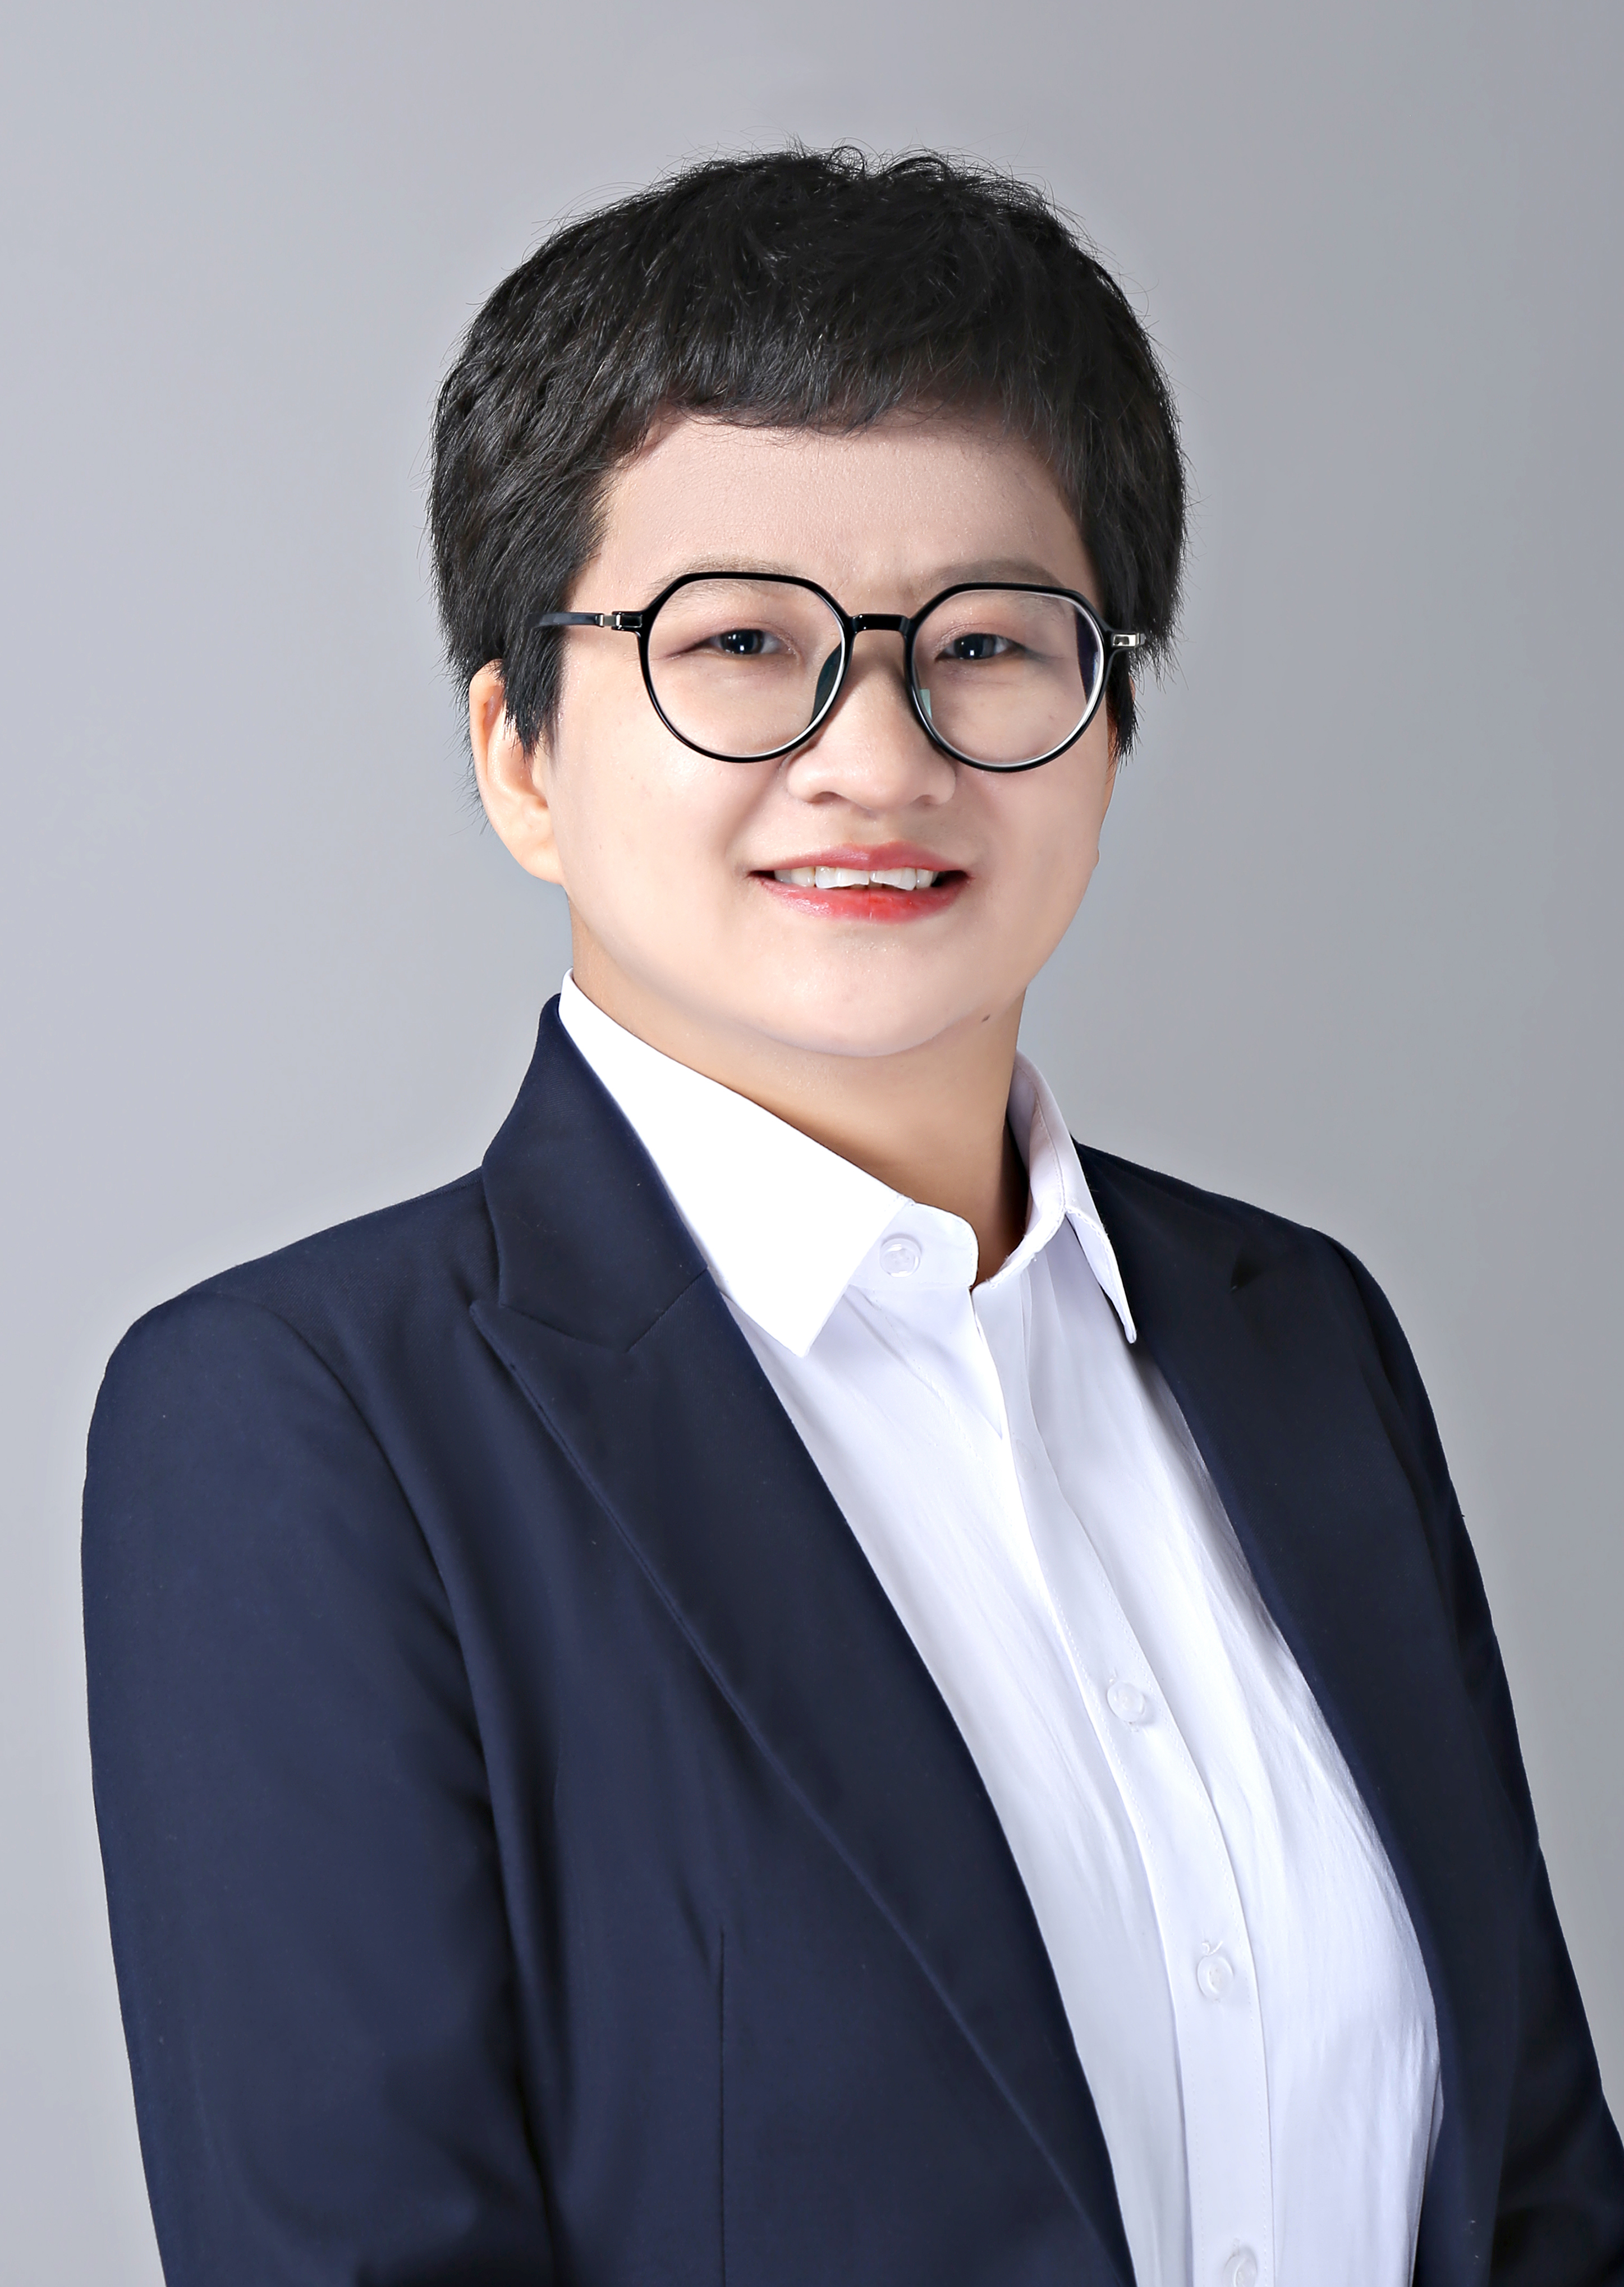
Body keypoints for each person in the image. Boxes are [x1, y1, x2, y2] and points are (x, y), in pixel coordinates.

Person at [82, 149, 1624, 2287]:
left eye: (983, 643)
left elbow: (1536, 2188)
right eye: (740, 641)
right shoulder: (306, 1428)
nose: (879, 757)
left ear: (1110, 720)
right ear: (521, 753)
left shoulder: (1300, 1335)